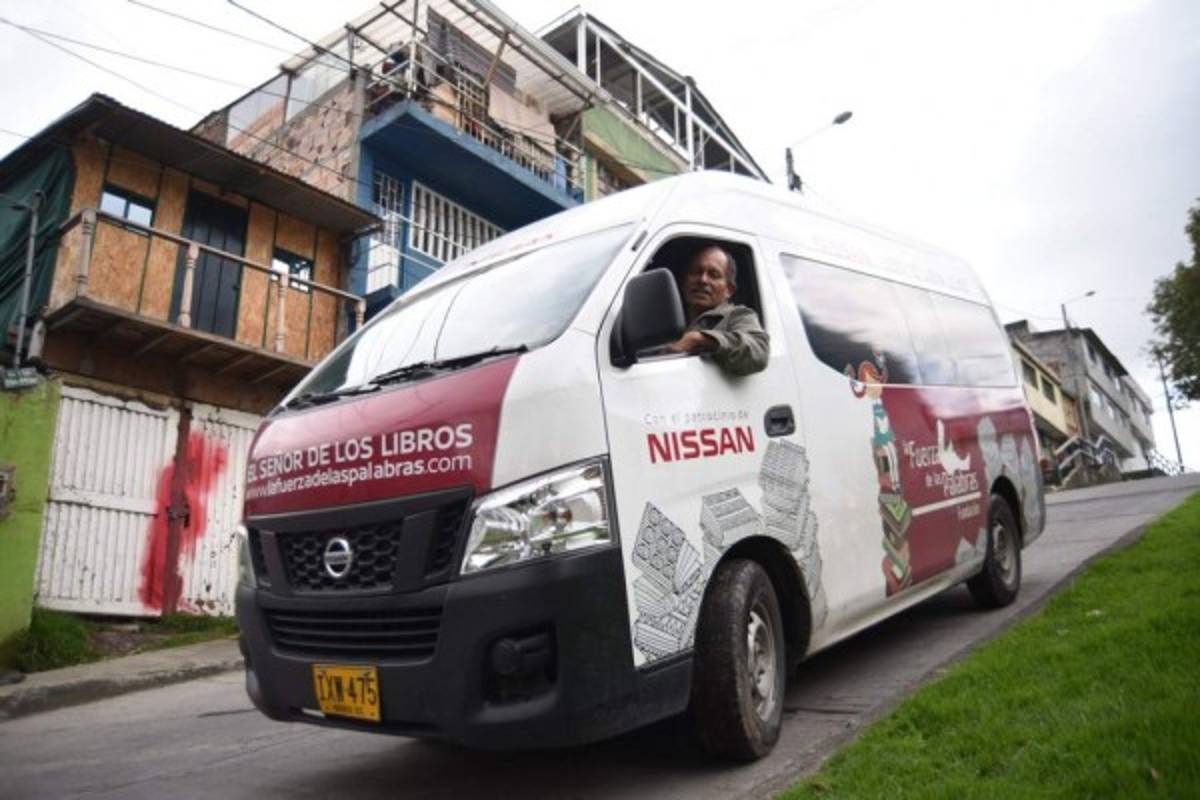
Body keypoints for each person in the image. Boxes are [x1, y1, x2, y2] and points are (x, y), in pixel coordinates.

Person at [666, 244, 769, 375]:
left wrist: (701, 339)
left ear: (729, 290)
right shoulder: (666, 317)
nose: (703, 280)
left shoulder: (738, 315)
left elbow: (758, 352)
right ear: (683, 282)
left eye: (713, 275)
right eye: (696, 272)